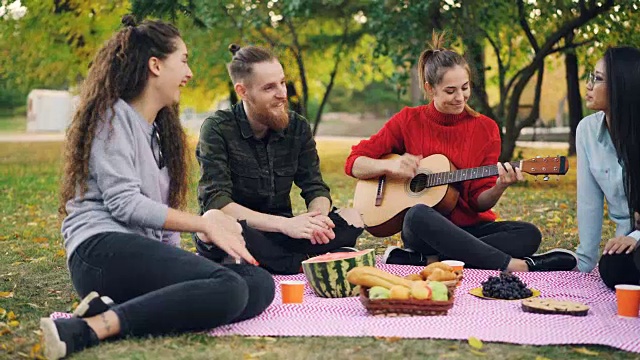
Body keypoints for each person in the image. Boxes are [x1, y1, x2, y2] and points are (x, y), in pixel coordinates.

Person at [41, 16, 274, 360]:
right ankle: (87, 330)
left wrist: (190, 262)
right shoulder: (112, 116)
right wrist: (204, 222)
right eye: (183, 59)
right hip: (99, 251)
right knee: (229, 287)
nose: (189, 72)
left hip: (135, 256)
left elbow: (160, 228)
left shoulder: (159, 134)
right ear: (155, 65)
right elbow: (125, 205)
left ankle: (108, 310)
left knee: (257, 284)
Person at [346, 32, 577, 272]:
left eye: (465, 88)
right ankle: (514, 265)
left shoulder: (486, 128)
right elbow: (354, 162)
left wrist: (499, 185)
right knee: (417, 214)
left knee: (529, 234)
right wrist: (390, 166)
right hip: (424, 231)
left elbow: (479, 202)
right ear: (430, 88)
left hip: (470, 228)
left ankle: (431, 261)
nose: (460, 98)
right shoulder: (408, 120)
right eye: (450, 91)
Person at [194, 44, 364, 275]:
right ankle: (299, 262)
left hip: (283, 235)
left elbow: (315, 187)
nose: (282, 93)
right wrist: (286, 225)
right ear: (243, 91)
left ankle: (278, 261)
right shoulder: (216, 129)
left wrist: (317, 220)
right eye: (269, 87)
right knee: (213, 223)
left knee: (352, 218)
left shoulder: (298, 127)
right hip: (241, 230)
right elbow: (217, 202)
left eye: (282, 82)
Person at [575, 46, 640, 289]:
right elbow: (589, 203)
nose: (589, 85)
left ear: (622, 86)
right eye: (591, 76)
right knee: (613, 267)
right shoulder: (587, 131)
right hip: (628, 244)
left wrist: (636, 236)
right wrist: (584, 262)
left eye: (598, 79)